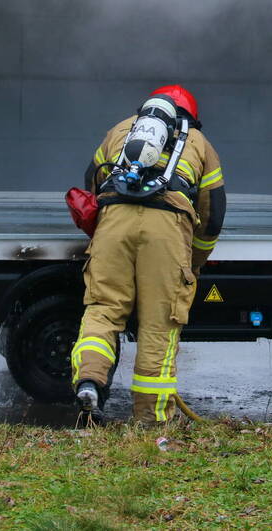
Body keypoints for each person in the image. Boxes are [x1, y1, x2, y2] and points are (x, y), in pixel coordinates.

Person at [71, 85, 225, 423]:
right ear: (191, 117)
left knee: (103, 310)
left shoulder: (120, 130)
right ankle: (150, 421)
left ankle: (89, 381)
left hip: (114, 221)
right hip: (167, 229)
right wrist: (193, 263)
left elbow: (91, 181)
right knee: (159, 327)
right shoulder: (199, 143)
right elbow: (212, 214)